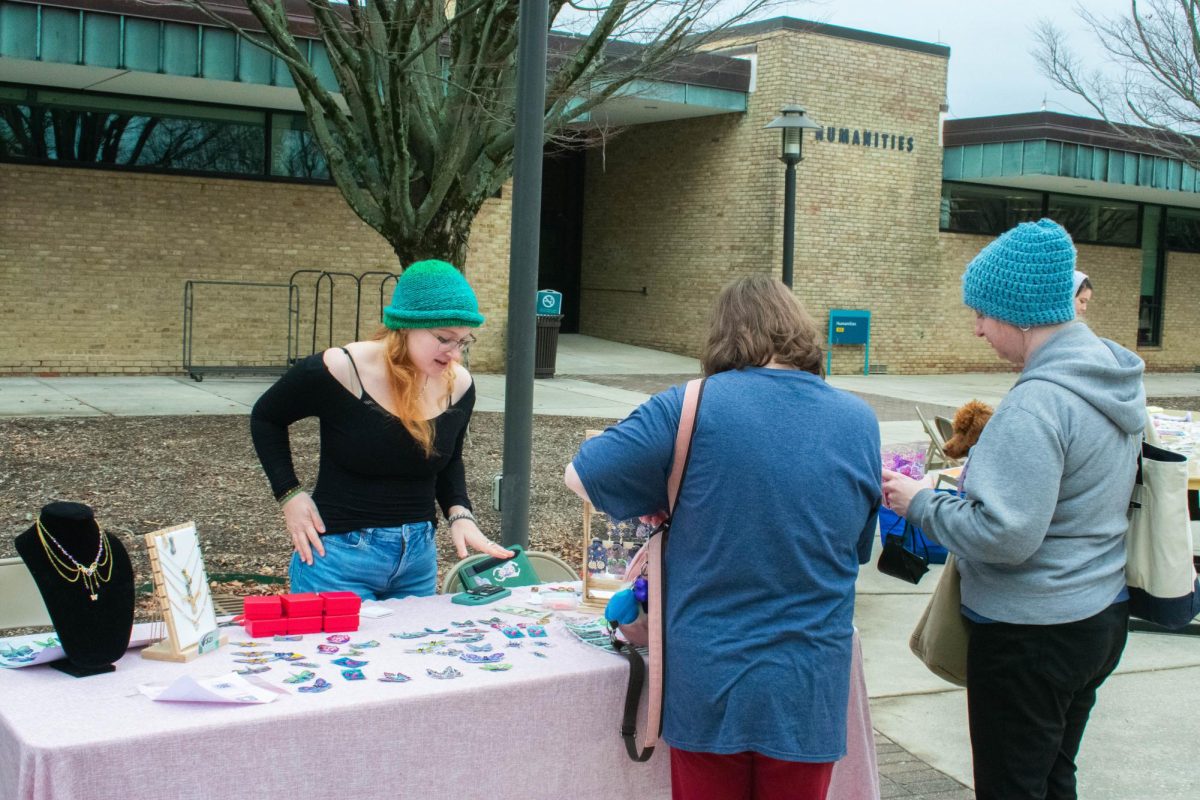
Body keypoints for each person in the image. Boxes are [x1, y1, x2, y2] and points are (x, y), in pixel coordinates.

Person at [565, 275, 881, 800]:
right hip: (807, 679)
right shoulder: (858, 420)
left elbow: (582, 475)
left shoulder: (687, 406)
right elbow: (852, 547)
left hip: (709, 675)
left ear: (724, 337)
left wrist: (661, 496)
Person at [882, 219, 1144, 800]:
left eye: (982, 315)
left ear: (1020, 315)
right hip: (1097, 613)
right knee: (1052, 776)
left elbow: (1005, 536)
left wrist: (920, 502)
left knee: (1011, 787)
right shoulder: (1109, 379)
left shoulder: (1037, 404)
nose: (977, 330)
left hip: (1032, 632)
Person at [250, 259, 511, 600]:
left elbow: (449, 461)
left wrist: (460, 514)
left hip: (417, 561)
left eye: (463, 341)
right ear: (405, 327)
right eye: (445, 339)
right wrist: (289, 494)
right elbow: (266, 417)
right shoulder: (341, 369)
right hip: (338, 559)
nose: (455, 355)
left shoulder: (458, 385)